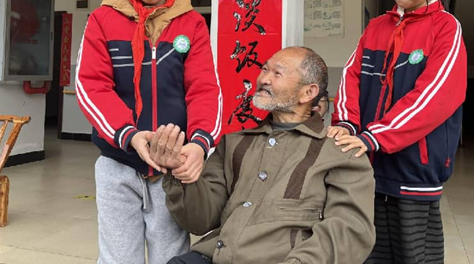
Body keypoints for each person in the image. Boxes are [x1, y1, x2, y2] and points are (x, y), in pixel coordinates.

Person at [76, 0, 223, 264]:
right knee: (117, 258)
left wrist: (200, 145)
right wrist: (129, 135)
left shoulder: (192, 25)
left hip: (172, 168)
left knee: (171, 256)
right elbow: (91, 85)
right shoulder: (101, 21)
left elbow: (205, 89)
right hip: (118, 162)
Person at [149, 46, 376, 264]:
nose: (264, 79)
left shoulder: (340, 152)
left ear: (308, 92)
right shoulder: (234, 143)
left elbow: (350, 230)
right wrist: (180, 173)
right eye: (264, 69)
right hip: (212, 257)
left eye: (277, 73)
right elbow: (200, 221)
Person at [328, 0, 467, 264]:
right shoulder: (377, 27)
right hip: (367, 164)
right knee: (367, 249)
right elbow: (351, 76)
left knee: (414, 254)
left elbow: (434, 96)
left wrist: (375, 136)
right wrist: (346, 124)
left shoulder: (446, 27)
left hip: (414, 170)